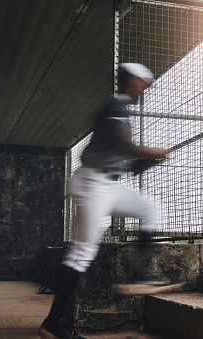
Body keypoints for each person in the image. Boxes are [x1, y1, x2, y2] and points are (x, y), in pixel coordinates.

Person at [39, 63, 169, 339]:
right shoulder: (114, 107)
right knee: (82, 254)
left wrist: (150, 161)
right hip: (92, 183)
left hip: (108, 185)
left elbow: (127, 165)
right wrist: (152, 151)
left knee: (149, 210)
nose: (145, 90)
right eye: (143, 84)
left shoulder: (122, 112)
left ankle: (138, 275)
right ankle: (53, 323)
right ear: (132, 81)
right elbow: (124, 146)